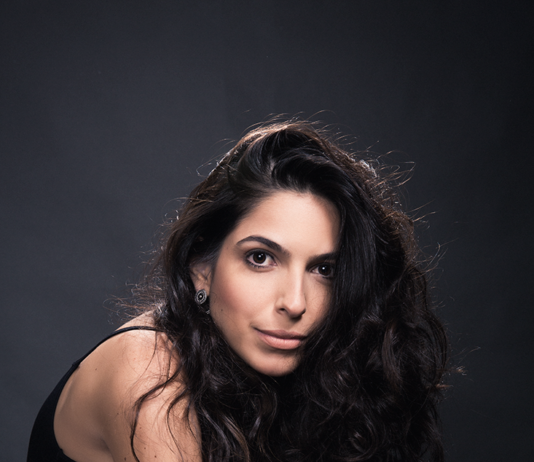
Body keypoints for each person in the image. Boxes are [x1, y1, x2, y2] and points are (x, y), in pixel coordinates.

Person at [28, 120, 448, 462]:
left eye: (324, 269)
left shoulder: (286, 382)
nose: (295, 303)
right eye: (260, 258)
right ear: (201, 268)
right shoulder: (147, 369)